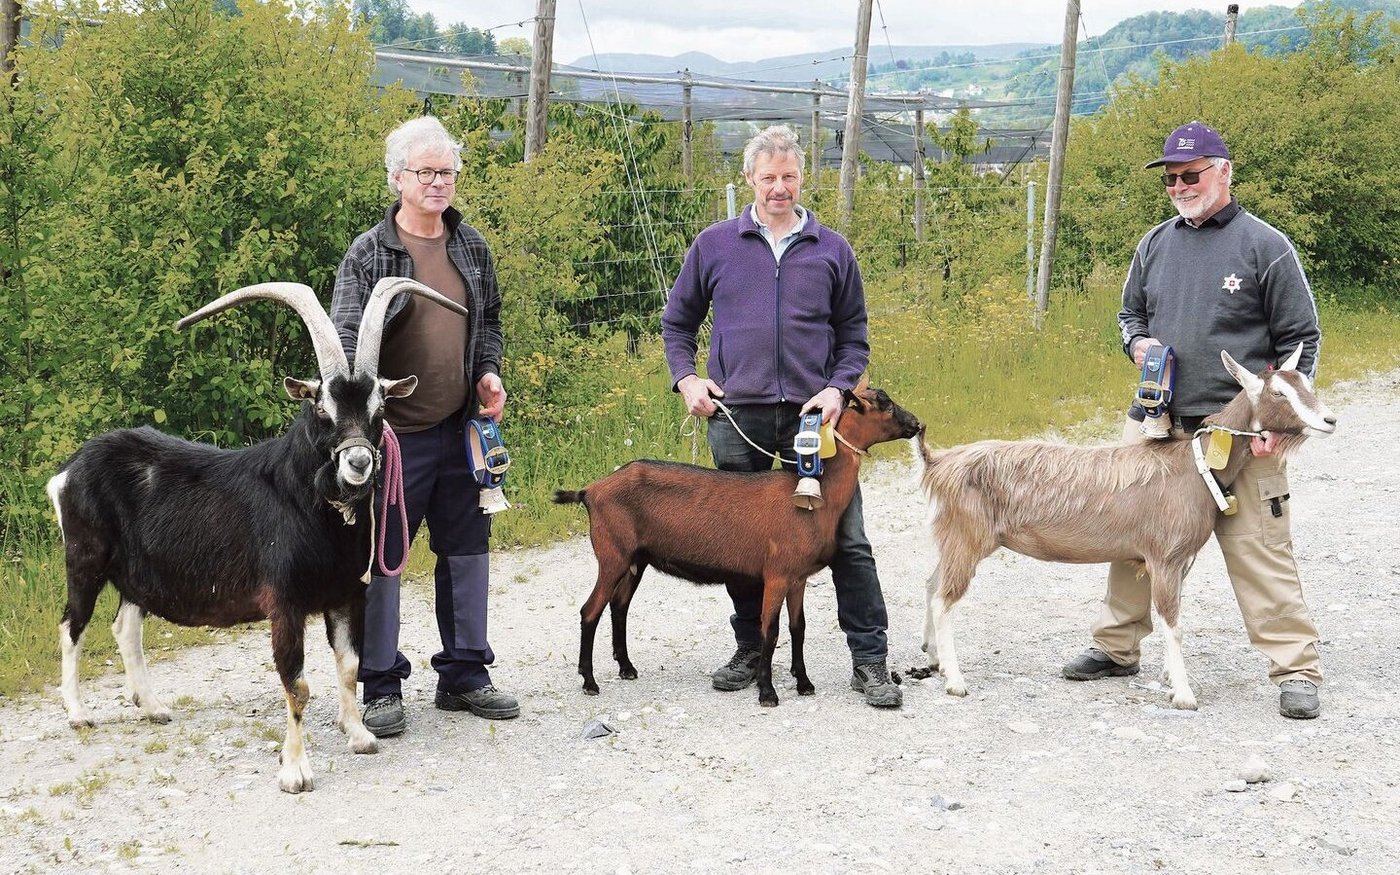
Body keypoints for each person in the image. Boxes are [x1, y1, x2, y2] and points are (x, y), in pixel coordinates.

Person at [1061, 121, 1325, 720]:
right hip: (1160, 424)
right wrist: (1137, 346)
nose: (1181, 186)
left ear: (1224, 171)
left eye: (1192, 173)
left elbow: (1301, 344)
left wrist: (1280, 427)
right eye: (1172, 177)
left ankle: (1295, 666)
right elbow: (1130, 314)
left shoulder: (1266, 247)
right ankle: (1116, 645)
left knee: (1259, 540)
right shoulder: (1155, 243)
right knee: (1129, 534)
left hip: (1238, 429)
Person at [660, 124, 901, 709]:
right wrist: (687, 378)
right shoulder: (714, 244)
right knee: (740, 543)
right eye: (768, 178)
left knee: (847, 539)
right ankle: (752, 646)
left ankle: (869, 660)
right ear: (749, 179)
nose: (778, 188)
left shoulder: (832, 249)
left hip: (813, 423)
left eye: (788, 177)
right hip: (735, 415)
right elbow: (677, 323)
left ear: (801, 179)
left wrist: (840, 389)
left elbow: (854, 338)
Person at [331, 116, 517, 737]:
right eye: (426, 172)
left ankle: (465, 675)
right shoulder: (368, 254)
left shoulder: (472, 247)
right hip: (392, 441)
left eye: (448, 172)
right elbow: (349, 351)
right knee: (383, 558)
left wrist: (488, 375)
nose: (439, 183)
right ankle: (379, 684)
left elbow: (487, 324)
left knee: (467, 550)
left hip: (462, 430)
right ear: (397, 178)